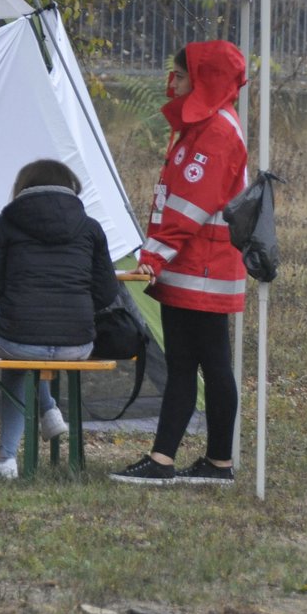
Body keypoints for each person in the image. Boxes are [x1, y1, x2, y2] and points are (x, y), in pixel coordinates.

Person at [111, 40, 248, 486]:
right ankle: (167, 458)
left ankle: (215, 462)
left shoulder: (218, 132)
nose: (175, 83)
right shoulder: (201, 125)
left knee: (210, 362)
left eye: (183, 75)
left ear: (204, 79)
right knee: (188, 363)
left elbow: (190, 203)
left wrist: (153, 255)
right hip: (187, 265)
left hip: (203, 267)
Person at [0, 159, 122, 480]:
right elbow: (108, 292)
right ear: (71, 187)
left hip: (19, 339)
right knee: (27, 352)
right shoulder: (90, 227)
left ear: (23, 187)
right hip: (77, 343)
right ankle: (48, 411)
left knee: (12, 353)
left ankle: (6, 457)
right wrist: (78, 302)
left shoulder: (6, 223)